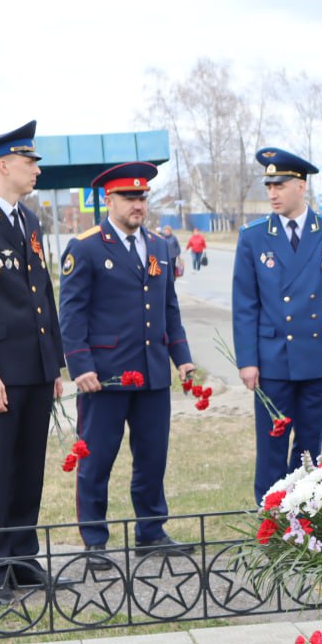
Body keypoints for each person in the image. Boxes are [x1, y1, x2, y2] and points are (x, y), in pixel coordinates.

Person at [59, 162, 197, 568]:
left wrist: (183, 359)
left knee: (153, 456)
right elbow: (71, 314)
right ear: (109, 200)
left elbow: (168, 308)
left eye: (142, 198)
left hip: (152, 373)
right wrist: (80, 365)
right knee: (97, 459)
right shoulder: (85, 247)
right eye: (130, 198)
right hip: (104, 377)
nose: (138, 205)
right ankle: (95, 540)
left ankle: (151, 531)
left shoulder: (157, 245)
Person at [0, 121, 72, 604]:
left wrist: (55, 366)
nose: (36, 170)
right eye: (30, 162)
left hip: (34, 370)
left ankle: (22, 559)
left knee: (28, 468)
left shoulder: (28, 220)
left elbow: (41, 294)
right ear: (3, 165)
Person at [233, 147, 322, 503]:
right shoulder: (253, 236)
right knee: (271, 445)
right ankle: (269, 517)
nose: (272, 193)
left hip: (318, 356)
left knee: (309, 446)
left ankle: (305, 513)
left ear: (301, 186)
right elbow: (245, 304)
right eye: (268, 186)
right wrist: (247, 360)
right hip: (272, 359)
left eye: (280, 185)